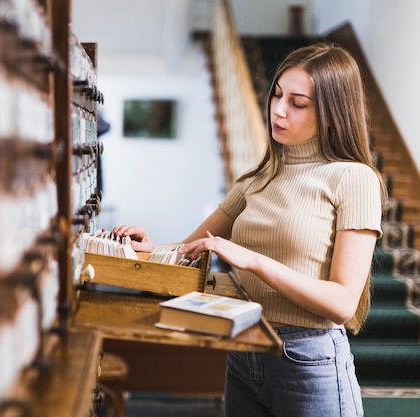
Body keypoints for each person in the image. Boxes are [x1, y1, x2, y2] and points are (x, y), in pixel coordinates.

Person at [112, 43, 387, 417]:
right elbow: (192, 248)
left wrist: (254, 261)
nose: (278, 109)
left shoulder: (354, 179)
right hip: (245, 348)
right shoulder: (258, 178)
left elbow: (341, 304)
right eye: (276, 94)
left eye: (297, 102)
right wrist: (150, 248)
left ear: (330, 113)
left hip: (309, 360)